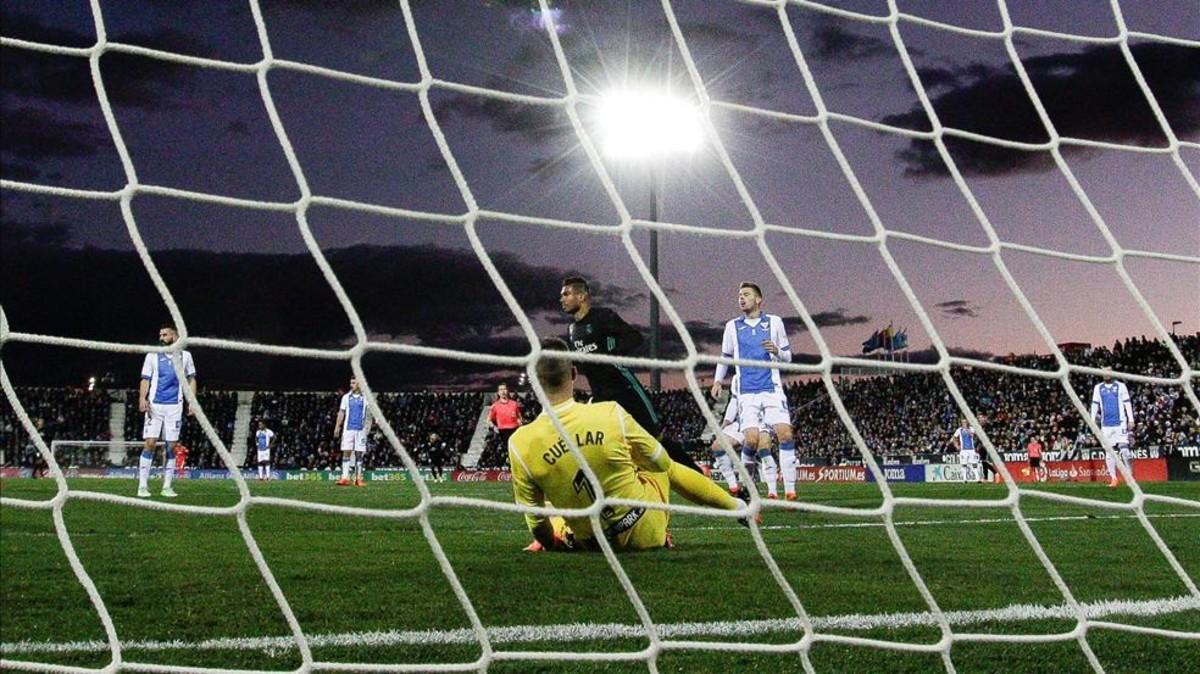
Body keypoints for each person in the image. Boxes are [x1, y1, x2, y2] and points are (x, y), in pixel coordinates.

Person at [509, 337, 747, 552]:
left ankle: (564, 532)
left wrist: (551, 544)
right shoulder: (610, 412)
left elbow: (536, 521)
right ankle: (735, 506)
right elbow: (662, 463)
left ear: (533, 379)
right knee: (661, 465)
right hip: (645, 532)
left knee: (550, 507)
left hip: (592, 544)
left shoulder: (519, 443)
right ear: (573, 374)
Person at [560, 277, 704, 474]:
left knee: (657, 438)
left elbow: (634, 337)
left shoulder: (603, 317)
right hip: (601, 396)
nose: (562, 299)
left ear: (582, 296)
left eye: (566, 294)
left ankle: (698, 476)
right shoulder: (572, 330)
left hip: (625, 390)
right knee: (593, 442)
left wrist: (609, 358)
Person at [710, 282, 797, 499]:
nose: (741, 298)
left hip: (772, 389)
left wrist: (777, 351)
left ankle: (790, 491)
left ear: (758, 299)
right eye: (739, 295)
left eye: (746, 295)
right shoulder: (732, 326)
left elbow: (788, 356)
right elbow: (726, 356)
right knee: (750, 440)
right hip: (747, 392)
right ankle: (748, 486)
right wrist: (717, 380)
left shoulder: (775, 322)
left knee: (785, 434)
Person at [137, 323, 196, 498]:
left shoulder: (185, 356)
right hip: (155, 406)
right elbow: (145, 379)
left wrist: (191, 401)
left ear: (175, 336)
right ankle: (142, 486)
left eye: (164, 335)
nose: (161, 338)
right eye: (160, 335)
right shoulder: (152, 356)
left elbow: (191, 379)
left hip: (174, 407)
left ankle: (167, 486)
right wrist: (142, 398)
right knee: (150, 443)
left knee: (171, 447)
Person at [1091, 375, 1135, 488]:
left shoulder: (1121, 386)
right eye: (1104, 372)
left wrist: (1131, 419)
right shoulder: (1098, 388)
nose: (1106, 374)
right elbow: (1095, 404)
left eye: (1108, 371)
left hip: (1120, 423)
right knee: (1109, 452)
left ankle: (1130, 476)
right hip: (1106, 426)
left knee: (1124, 449)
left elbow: (1127, 403)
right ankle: (1114, 479)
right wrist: (1091, 420)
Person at [333, 377, 369, 487]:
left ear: (359, 384)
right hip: (348, 429)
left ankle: (358, 479)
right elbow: (341, 412)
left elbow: (370, 412)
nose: (351, 385)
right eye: (351, 383)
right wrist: (337, 427)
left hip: (360, 430)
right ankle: (344, 478)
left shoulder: (365, 397)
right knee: (346, 452)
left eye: (353, 383)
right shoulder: (346, 397)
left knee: (359, 454)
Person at [488, 383, 523, 450]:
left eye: (504, 389)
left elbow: (519, 417)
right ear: (498, 392)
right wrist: (494, 427)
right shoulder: (495, 406)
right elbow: (489, 419)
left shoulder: (514, 404)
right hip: (502, 432)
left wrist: (520, 422)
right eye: (501, 390)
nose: (503, 391)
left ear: (507, 391)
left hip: (514, 430)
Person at [950, 418, 980, 483]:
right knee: (964, 464)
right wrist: (957, 445)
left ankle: (978, 479)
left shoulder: (971, 428)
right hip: (963, 450)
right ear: (961, 423)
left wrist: (967, 429)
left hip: (971, 450)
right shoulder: (959, 430)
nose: (964, 424)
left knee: (974, 464)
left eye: (965, 422)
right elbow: (954, 438)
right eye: (963, 422)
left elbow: (972, 435)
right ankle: (965, 479)